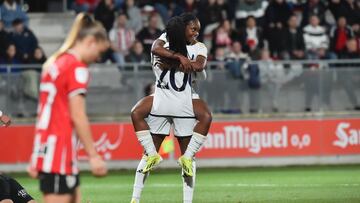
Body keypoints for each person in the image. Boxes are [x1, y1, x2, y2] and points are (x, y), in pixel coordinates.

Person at [130, 13, 212, 203]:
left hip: (185, 97)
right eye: (193, 29)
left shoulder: (199, 47)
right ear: (183, 28)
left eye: (198, 30)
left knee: (188, 159)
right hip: (163, 97)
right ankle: (135, 198)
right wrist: (178, 59)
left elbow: (199, 65)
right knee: (147, 151)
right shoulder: (165, 39)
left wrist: (174, 62)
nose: (197, 33)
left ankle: (187, 201)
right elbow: (155, 48)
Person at [27, 13, 108, 203]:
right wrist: (93, 156)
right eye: (100, 52)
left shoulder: (55, 63)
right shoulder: (76, 67)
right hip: (59, 152)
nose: (98, 58)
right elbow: (78, 115)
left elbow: (46, 113)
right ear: (90, 41)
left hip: (50, 148)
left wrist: (36, 154)